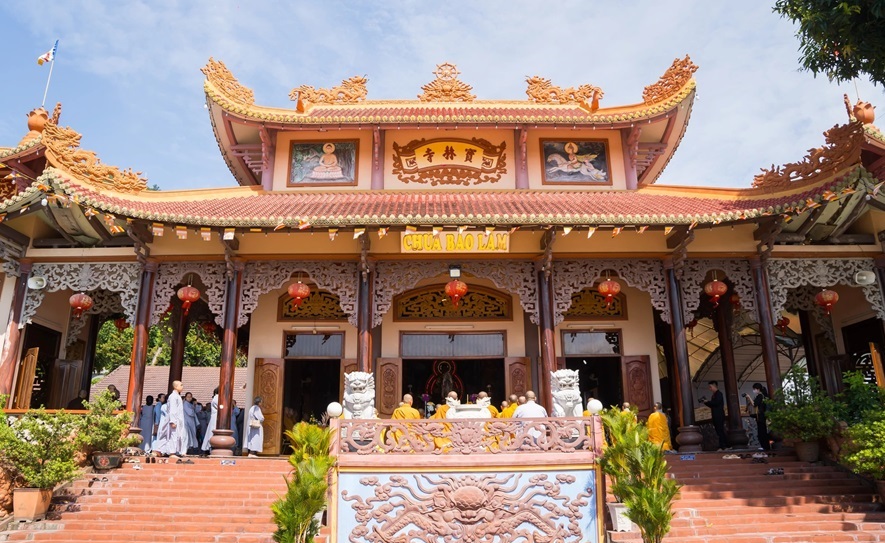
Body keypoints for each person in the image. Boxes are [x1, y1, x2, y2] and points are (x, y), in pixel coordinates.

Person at [156, 381, 188, 457]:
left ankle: (160, 450)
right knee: (173, 435)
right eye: (181, 385)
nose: (182, 386)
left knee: (170, 435)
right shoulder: (173, 396)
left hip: (177, 419)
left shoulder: (177, 396)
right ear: (176, 387)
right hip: (173, 419)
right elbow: (173, 409)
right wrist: (173, 421)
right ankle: (172, 452)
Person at [700, 381, 728, 450]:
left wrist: (708, 402)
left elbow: (716, 403)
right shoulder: (714, 395)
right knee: (718, 430)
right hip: (715, 415)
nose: (710, 389)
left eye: (710, 387)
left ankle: (724, 445)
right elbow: (712, 405)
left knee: (720, 430)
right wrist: (706, 402)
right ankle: (722, 445)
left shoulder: (719, 394)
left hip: (719, 415)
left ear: (714, 386)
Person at [747, 383, 770, 451]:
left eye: (754, 389)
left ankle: (765, 447)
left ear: (758, 389)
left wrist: (748, 397)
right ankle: (765, 446)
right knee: (763, 431)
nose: (754, 391)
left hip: (760, 416)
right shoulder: (764, 396)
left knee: (761, 432)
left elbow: (754, 404)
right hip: (762, 416)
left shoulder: (760, 396)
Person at [201, 388, 219, 456]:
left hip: (216, 418)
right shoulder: (216, 398)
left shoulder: (217, 398)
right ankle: (208, 448)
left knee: (211, 433)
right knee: (212, 433)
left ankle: (208, 448)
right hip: (215, 418)